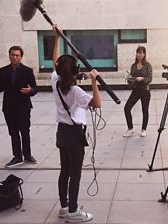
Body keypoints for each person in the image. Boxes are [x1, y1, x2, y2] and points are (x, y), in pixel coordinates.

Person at [52, 25, 101, 223]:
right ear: (75, 72)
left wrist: (56, 39)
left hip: (62, 133)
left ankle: (64, 207)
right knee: (76, 174)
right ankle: (73, 211)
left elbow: (55, 62)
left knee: (64, 171)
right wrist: (94, 81)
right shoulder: (76, 92)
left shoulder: (55, 81)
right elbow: (97, 103)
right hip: (74, 135)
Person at [0, 46, 37, 168]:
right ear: (9, 56)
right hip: (9, 107)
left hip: (23, 107)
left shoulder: (27, 71)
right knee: (13, 133)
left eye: (17, 55)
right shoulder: (4, 71)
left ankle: (27, 155)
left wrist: (30, 90)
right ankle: (17, 156)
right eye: (12, 55)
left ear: (21, 57)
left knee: (25, 132)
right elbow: (0, 87)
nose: (14, 57)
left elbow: (35, 88)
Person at [123, 46, 152, 137]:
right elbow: (132, 79)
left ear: (144, 54)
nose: (138, 55)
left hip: (145, 90)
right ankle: (130, 128)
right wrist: (129, 79)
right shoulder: (133, 66)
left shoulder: (148, 65)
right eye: (137, 53)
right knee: (127, 108)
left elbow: (150, 79)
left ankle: (144, 129)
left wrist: (142, 78)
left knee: (145, 110)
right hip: (136, 90)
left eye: (140, 53)